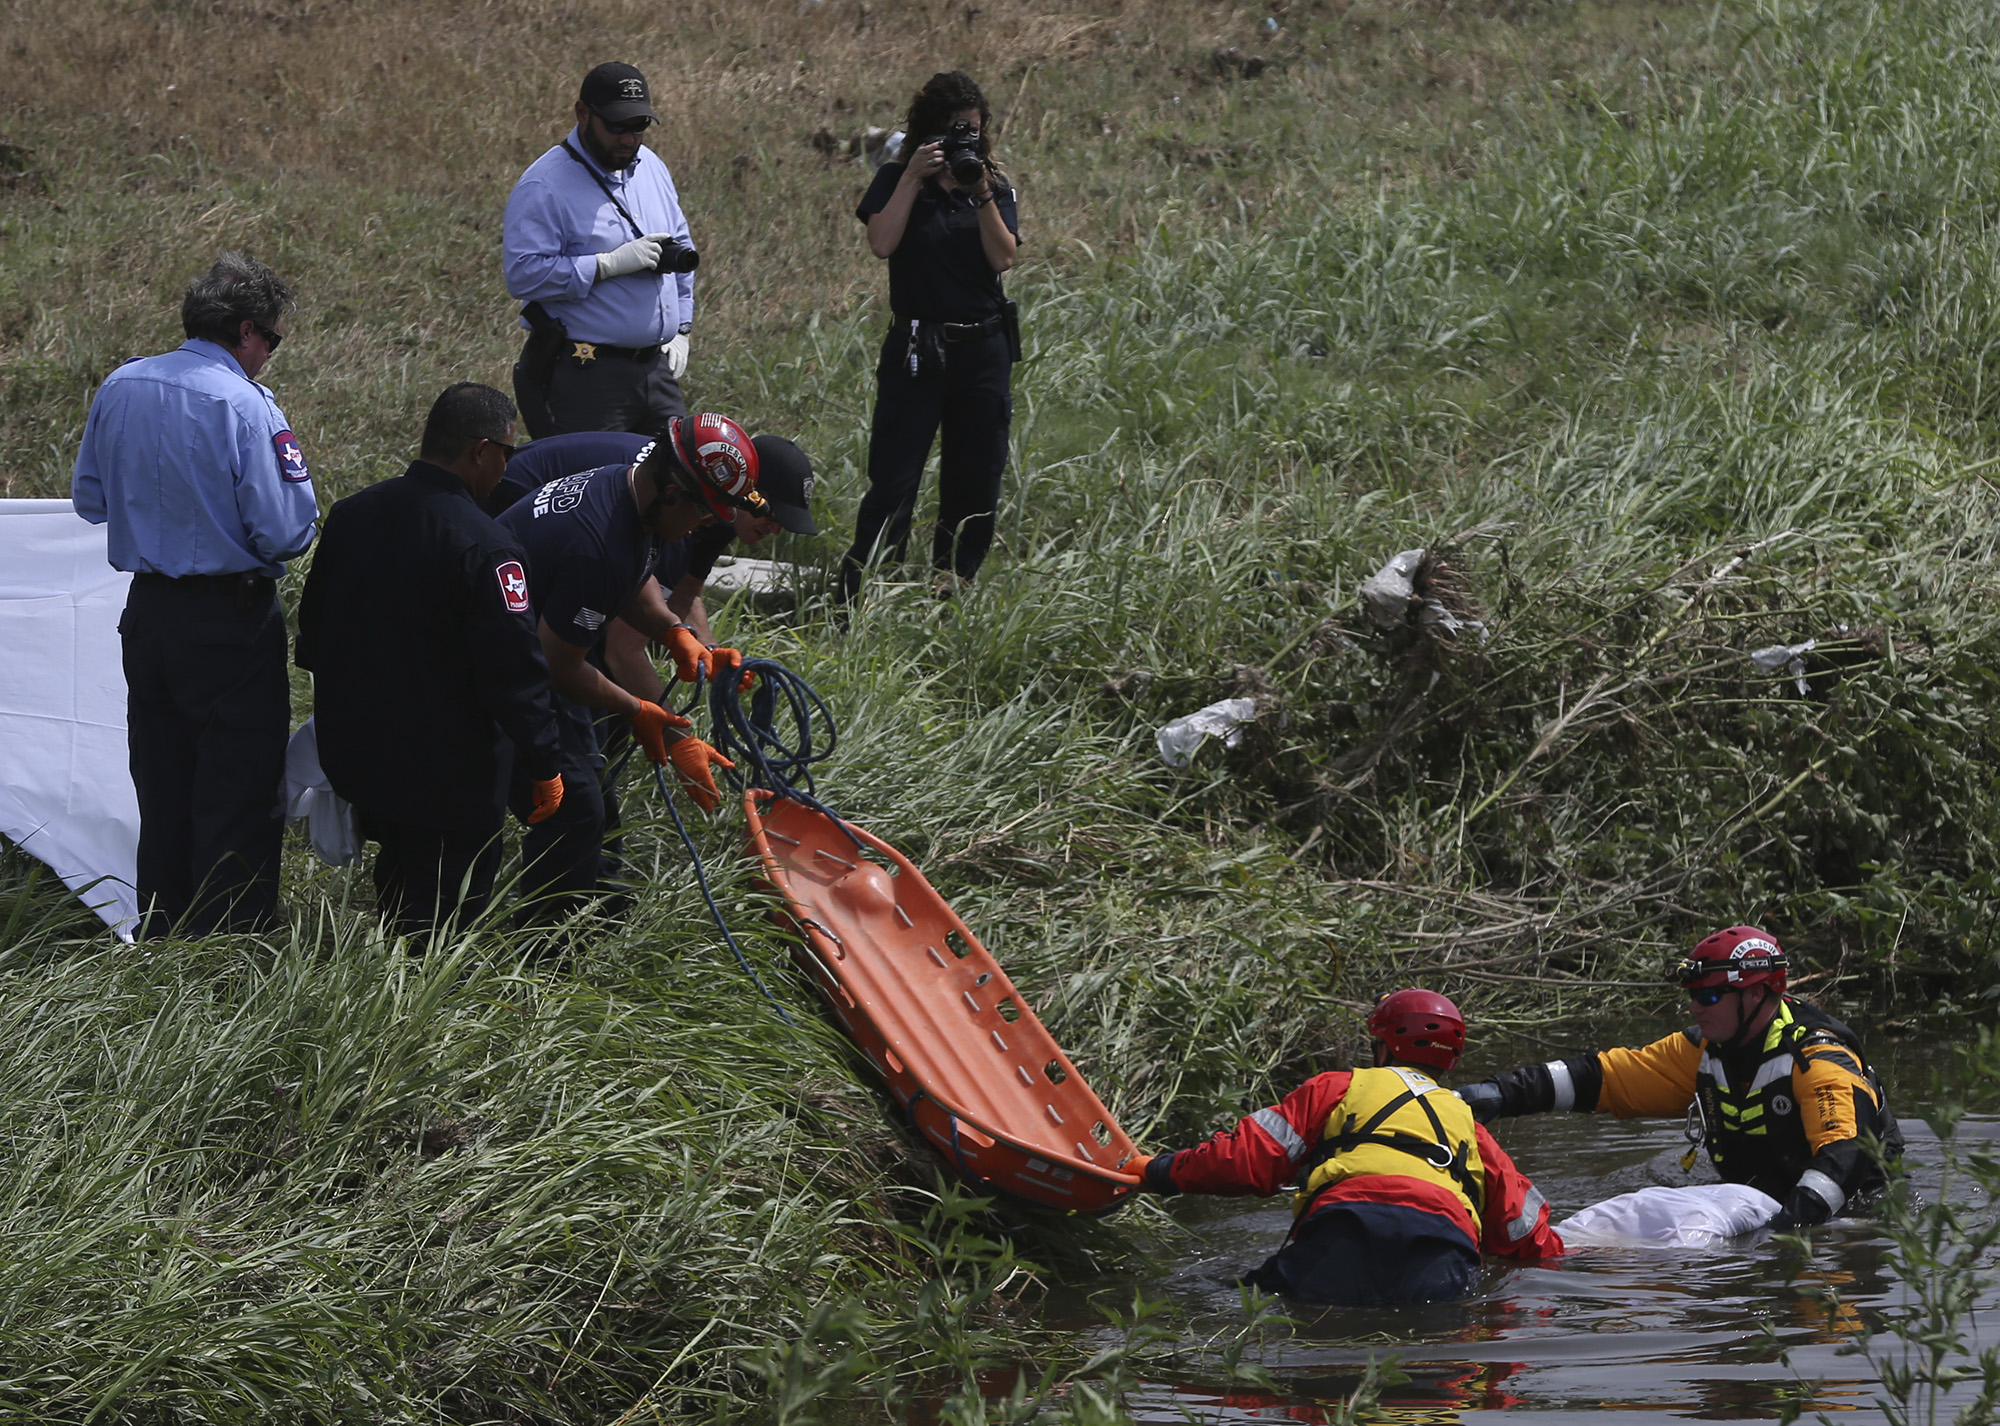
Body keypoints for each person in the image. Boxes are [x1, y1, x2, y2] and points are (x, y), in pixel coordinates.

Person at [72, 252, 318, 938]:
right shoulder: (244, 402)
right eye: (272, 338)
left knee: (164, 784)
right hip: (227, 617)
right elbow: (288, 529)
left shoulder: (121, 385)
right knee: (237, 790)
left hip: (149, 613)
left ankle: (163, 934)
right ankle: (229, 951)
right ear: (244, 331)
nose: (270, 353)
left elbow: (89, 500)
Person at [294, 383, 566, 937]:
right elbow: (514, 674)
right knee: (446, 914)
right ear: (483, 451)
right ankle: (423, 1013)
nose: (506, 467)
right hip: (451, 775)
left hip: (363, 756)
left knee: (398, 875)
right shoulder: (487, 546)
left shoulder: (351, 516)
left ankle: (388, 980)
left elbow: (314, 636)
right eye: (507, 454)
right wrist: (546, 762)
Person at [1133, 990, 1563, 1306]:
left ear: (1384, 1047)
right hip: (1442, 1254)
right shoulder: (1469, 1126)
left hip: (1342, 1234)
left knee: (1210, 1300)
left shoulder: (1337, 1087)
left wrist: (1159, 1172)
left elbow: (1245, 1160)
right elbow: (1525, 1234)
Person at [1457, 927, 1904, 1231]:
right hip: (1761, 1207)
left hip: (1850, 1216)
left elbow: (1843, 1158)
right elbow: (1605, 1079)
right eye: (1692, 996)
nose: (1694, 1007)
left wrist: (1778, 1240)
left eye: (1709, 995)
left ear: (1755, 993)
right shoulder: (1700, 1050)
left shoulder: (1817, 1057)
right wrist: (1499, 1093)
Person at [493, 414, 760, 920]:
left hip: (531, 638)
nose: (707, 523)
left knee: (588, 781)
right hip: (492, 664)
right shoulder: (598, 543)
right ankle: (541, 952)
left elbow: (634, 573)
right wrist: (640, 710)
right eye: (705, 510)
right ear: (674, 492)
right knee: (573, 810)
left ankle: (577, 911)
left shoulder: (629, 490)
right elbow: (559, 664)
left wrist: (672, 631)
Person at [841, 71, 1019, 604]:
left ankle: (954, 585)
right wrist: (913, 177)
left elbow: (1004, 257)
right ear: (926, 133)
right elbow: (881, 242)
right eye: (951, 132)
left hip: (981, 349)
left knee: (976, 477)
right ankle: (866, 590)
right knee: (895, 477)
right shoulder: (898, 180)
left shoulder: (992, 183)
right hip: (918, 347)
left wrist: (980, 190)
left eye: (971, 129)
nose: (963, 140)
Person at [504, 62, 698, 441]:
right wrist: (605, 266)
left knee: (673, 490)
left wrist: (682, 329)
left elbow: (682, 250)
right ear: (582, 114)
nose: (628, 138)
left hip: (655, 372)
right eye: (615, 126)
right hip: (587, 377)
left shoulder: (652, 168)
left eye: (638, 125)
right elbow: (523, 273)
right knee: (590, 489)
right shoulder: (544, 185)